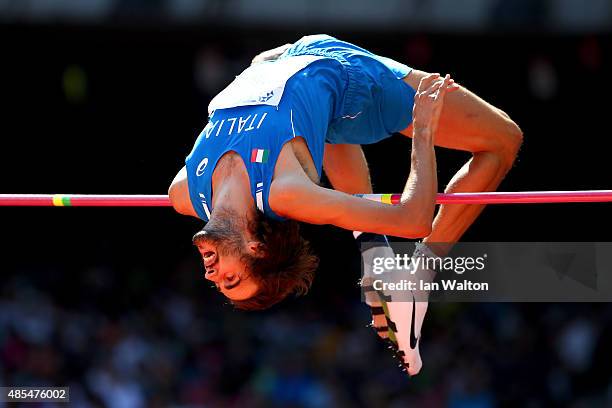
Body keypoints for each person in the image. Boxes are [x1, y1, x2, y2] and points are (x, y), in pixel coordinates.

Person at [168, 34, 522, 375]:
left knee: (317, 121)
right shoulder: (284, 192)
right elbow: (414, 219)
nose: (209, 274)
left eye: (219, 282)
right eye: (230, 278)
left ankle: (375, 255)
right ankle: (417, 277)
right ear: (255, 248)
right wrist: (423, 135)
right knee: (504, 139)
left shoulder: (185, 193)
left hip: (298, 56)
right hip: (355, 81)